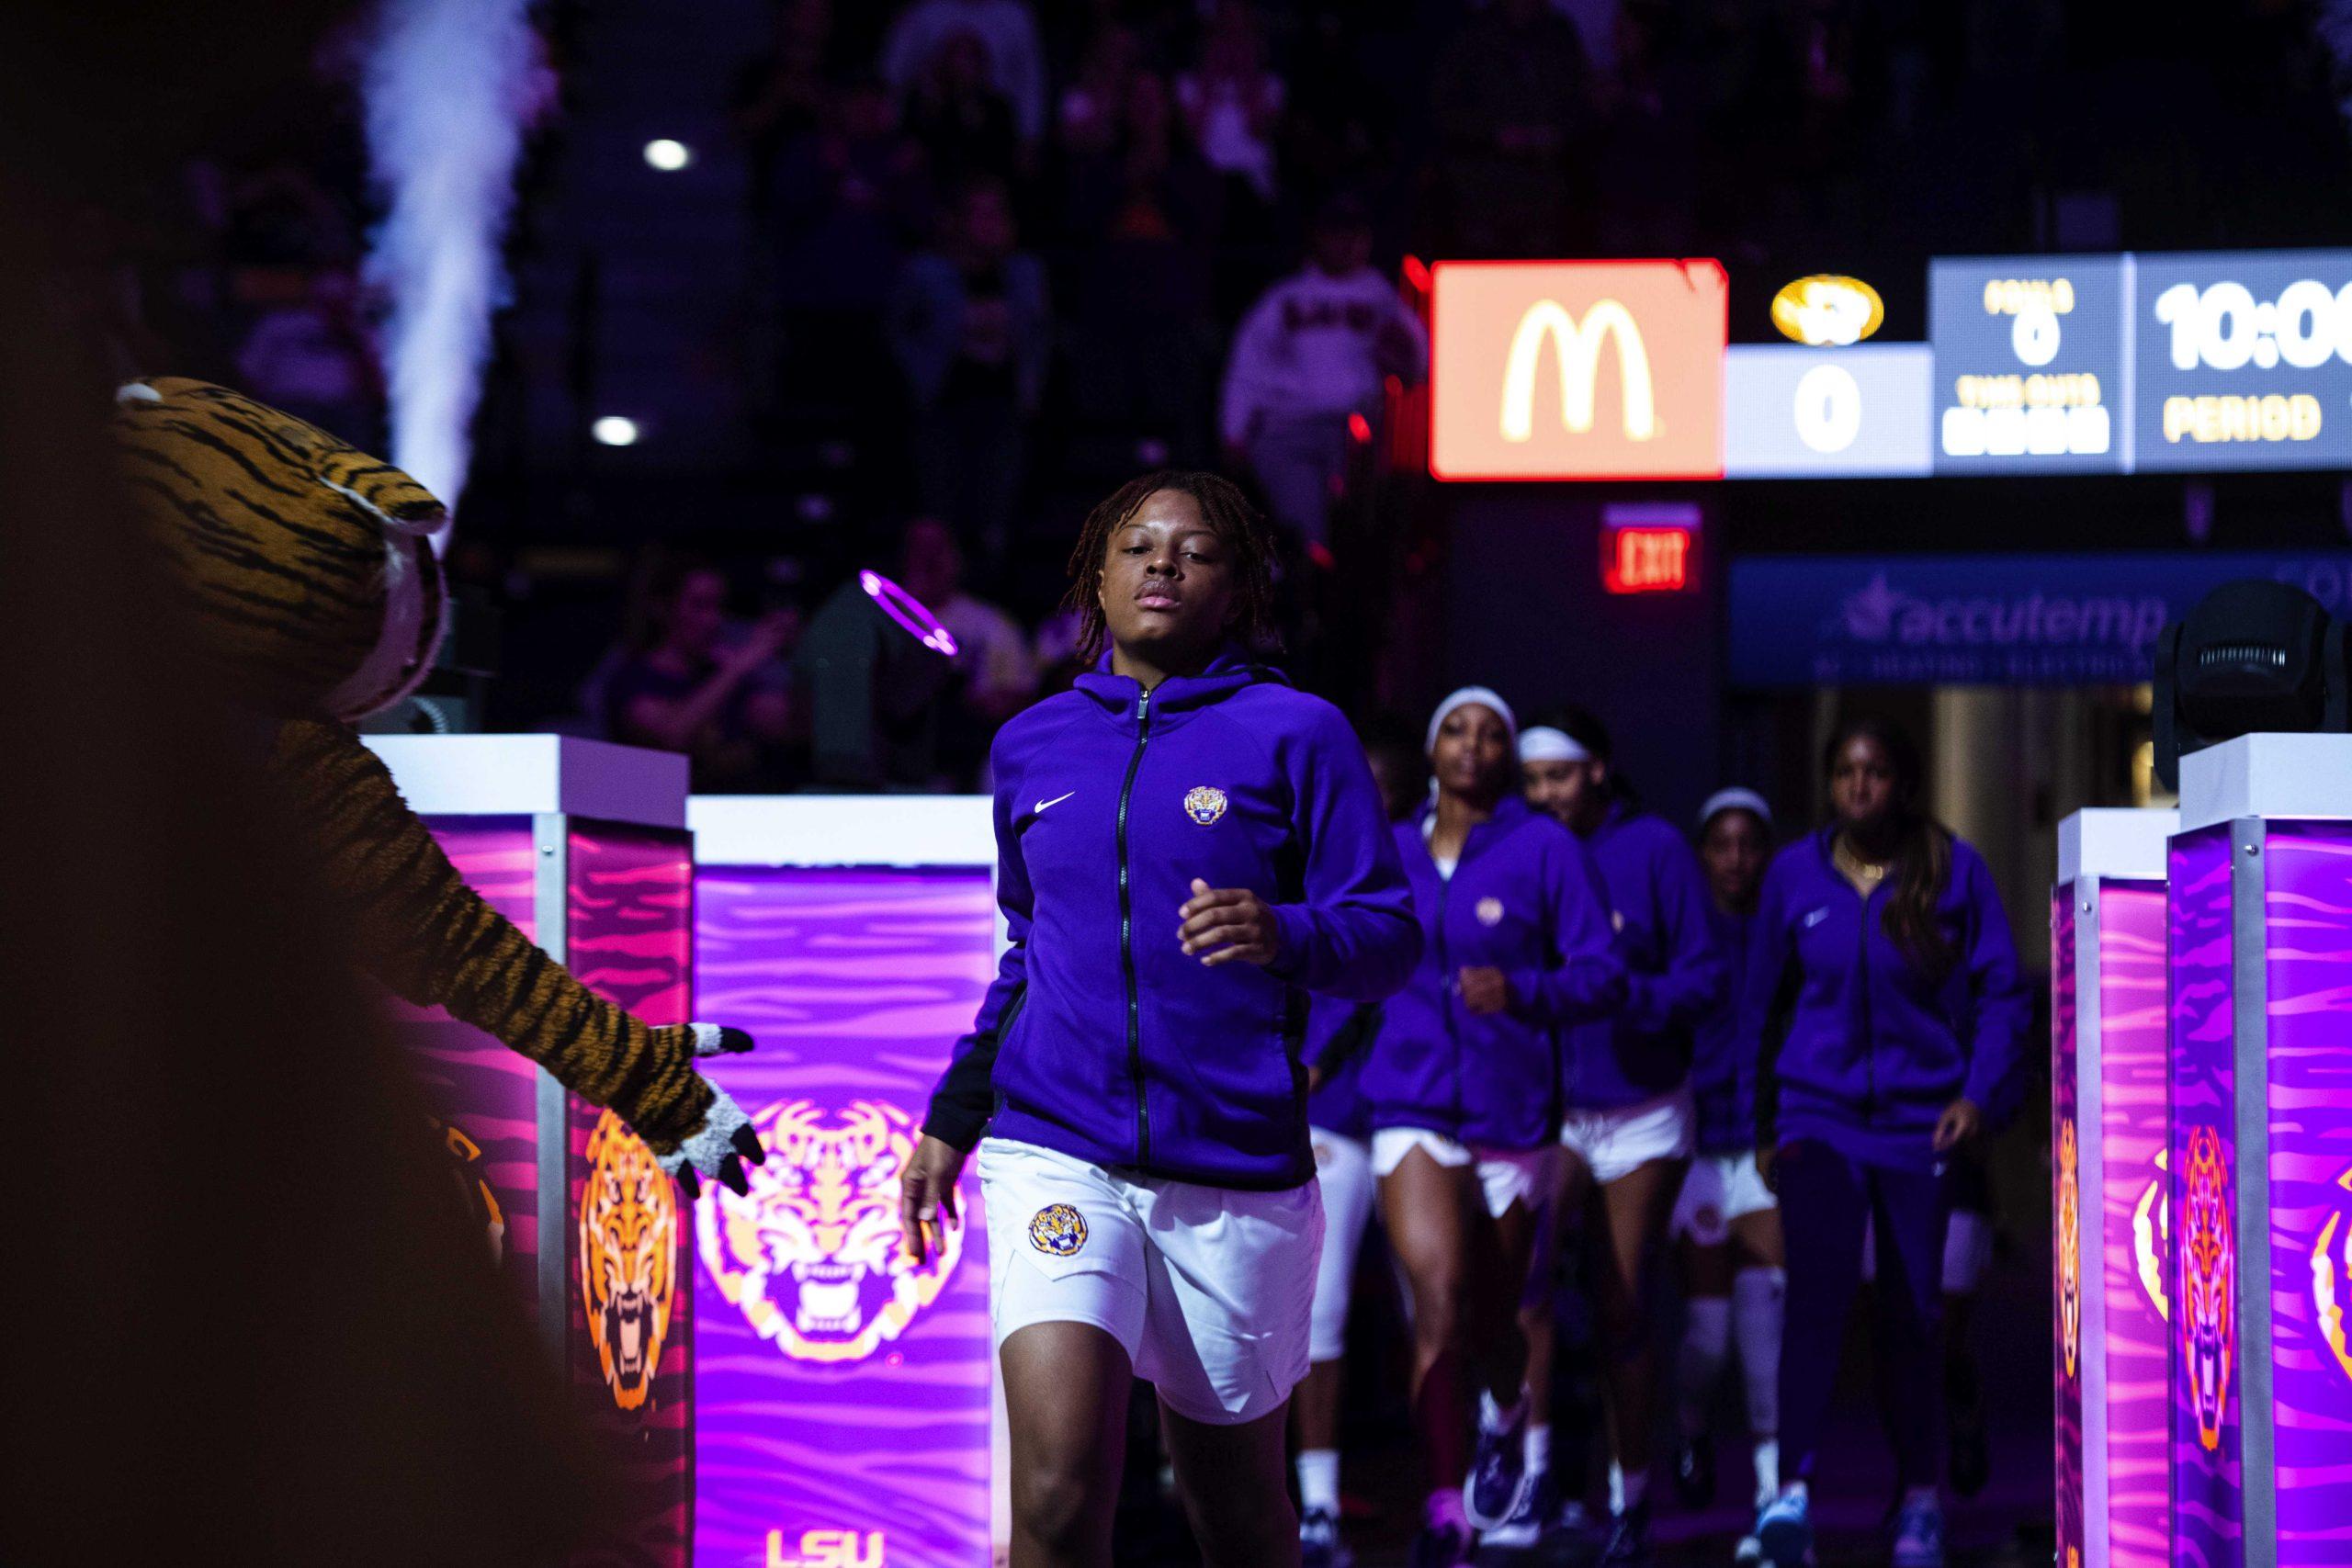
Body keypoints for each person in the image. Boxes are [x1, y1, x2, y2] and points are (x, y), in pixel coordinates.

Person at [898, 471, 1421, 1568]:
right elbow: (1027, 954)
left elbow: (1386, 938)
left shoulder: (1298, 734)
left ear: (1236, 590)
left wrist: (1286, 934)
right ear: (1097, 576)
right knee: (1052, 1488)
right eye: (1136, 547)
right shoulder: (1030, 746)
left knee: (1236, 1518)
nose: (1162, 566)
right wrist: (953, 1115)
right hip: (1057, 1148)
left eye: (1193, 551)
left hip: (1233, 1167)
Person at [1742, 718, 2030, 1568]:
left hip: (1916, 1122)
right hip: (1817, 1115)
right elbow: (1761, 1005)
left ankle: (1918, 1501)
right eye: (1844, 772)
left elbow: (2003, 992)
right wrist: (1758, 1122)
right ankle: (1790, 1491)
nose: (1859, 786)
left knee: (1913, 1313)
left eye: (1874, 772)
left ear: (1902, 784)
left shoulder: (1952, 869)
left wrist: (1976, 1094)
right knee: (1817, 1299)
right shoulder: (1795, 873)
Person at [1359, 689, 1623, 1568]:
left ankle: (1505, 1419)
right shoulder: (1388, 849)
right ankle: (1445, 1509)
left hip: (1513, 1106)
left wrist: (1524, 992)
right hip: (1411, 1101)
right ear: (1432, 750)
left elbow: (1603, 973)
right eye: (1455, 730)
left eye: (1490, 733)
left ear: (1507, 754)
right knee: (1435, 1298)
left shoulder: (1544, 848)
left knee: (1500, 1312)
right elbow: (1346, 957)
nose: (1472, 745)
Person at [1509, 713, 1725, 1564]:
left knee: (1621, 1300)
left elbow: (1705, 976)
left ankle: (1629, 1497)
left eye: (1559, 777)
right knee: (1524, 1279)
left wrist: (1624, 995)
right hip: (1555, 1108)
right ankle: (1526, 1480)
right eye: (1533, 781)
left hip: (1642, 1107)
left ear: (1598, 770)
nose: (1544, 795)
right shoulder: (1523, 848)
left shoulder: (1657, 850)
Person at [1292, 724, 1421, 1568]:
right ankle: (1318, 1505)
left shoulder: (1423, 852)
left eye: (1385, 778)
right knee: (1323, 1310)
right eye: (1359, 778)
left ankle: (1452, 1489)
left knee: (1435, 1308)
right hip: (1335, 1113)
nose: (1370, 792)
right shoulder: (1316, 856)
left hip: (1423, 1107)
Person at [1669, 788, 1785, 1560]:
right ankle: (1690, 1427)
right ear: (1703, 852)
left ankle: (1775, 1497)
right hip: (1700, 1150)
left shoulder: (1786, 928)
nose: (1736, 857)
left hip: (1767, 1150)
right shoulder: (1683, 929)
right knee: (1708, 1333)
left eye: (1750, 843)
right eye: (1722, 843)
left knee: (1763, 1325)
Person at [1219, 196, 1427, 555]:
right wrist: (1233, 430)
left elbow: (1420, 367)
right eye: (1336, 233)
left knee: (1363, 539)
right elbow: (1247, 369)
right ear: (1317, 237)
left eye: (1354, 233)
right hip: (1288, 431)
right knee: (1306, 539)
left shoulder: (1386, 301)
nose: (1345, 242)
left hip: (1360, 434)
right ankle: (1309, 595)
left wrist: (1402, 361)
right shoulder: (1285, 299)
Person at [887, 175, 1049, 560]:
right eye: (979, 214)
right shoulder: (925, 273)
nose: (988, 224)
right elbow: (898, 330)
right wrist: (919, 378)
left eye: (996, 214)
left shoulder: (1026, 273)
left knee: (997, 516)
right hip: (943, 406)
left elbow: (1041, 334)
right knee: (941, 514)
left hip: (1004, 407)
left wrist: (1032, 389)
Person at [604, 556, 798, 793]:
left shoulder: (722, 676)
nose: (712, 620)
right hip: (656, 817)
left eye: (718, 607)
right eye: (699, 606)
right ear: (662, 608)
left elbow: (788, 723)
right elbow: (671, 736)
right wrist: (739, 665)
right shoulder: (634, 680)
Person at [881, 0, 1047, 148]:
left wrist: (1030, 135)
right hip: (928, 125)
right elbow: (894, 74)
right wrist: (891, 130)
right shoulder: (925, 11)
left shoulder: (1015, 15)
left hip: (995, 131)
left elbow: (1029, 82)